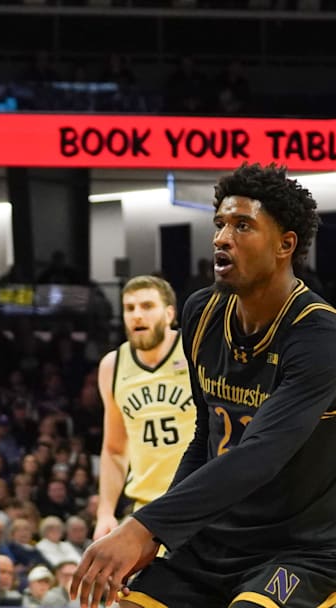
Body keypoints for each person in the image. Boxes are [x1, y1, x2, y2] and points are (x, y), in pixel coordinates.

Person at [71, 163, 336, 607]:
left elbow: (259, 455)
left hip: (300, 550)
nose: (221, 237)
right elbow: (204, 435)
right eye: (219, 224)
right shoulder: (202, 313)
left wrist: (145, 526)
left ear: (285, 245)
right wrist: (164, 533)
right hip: (209, 544)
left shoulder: (319, 337)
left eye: (242, 225)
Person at [93, 275, 196, 540]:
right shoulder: (112, 366)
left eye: (148, 306)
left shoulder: (195, 351)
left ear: (170, 313)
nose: (137, 315)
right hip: (147, 511)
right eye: (130, 308)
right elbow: (115, 449)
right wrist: (105, 512)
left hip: (202, 503)